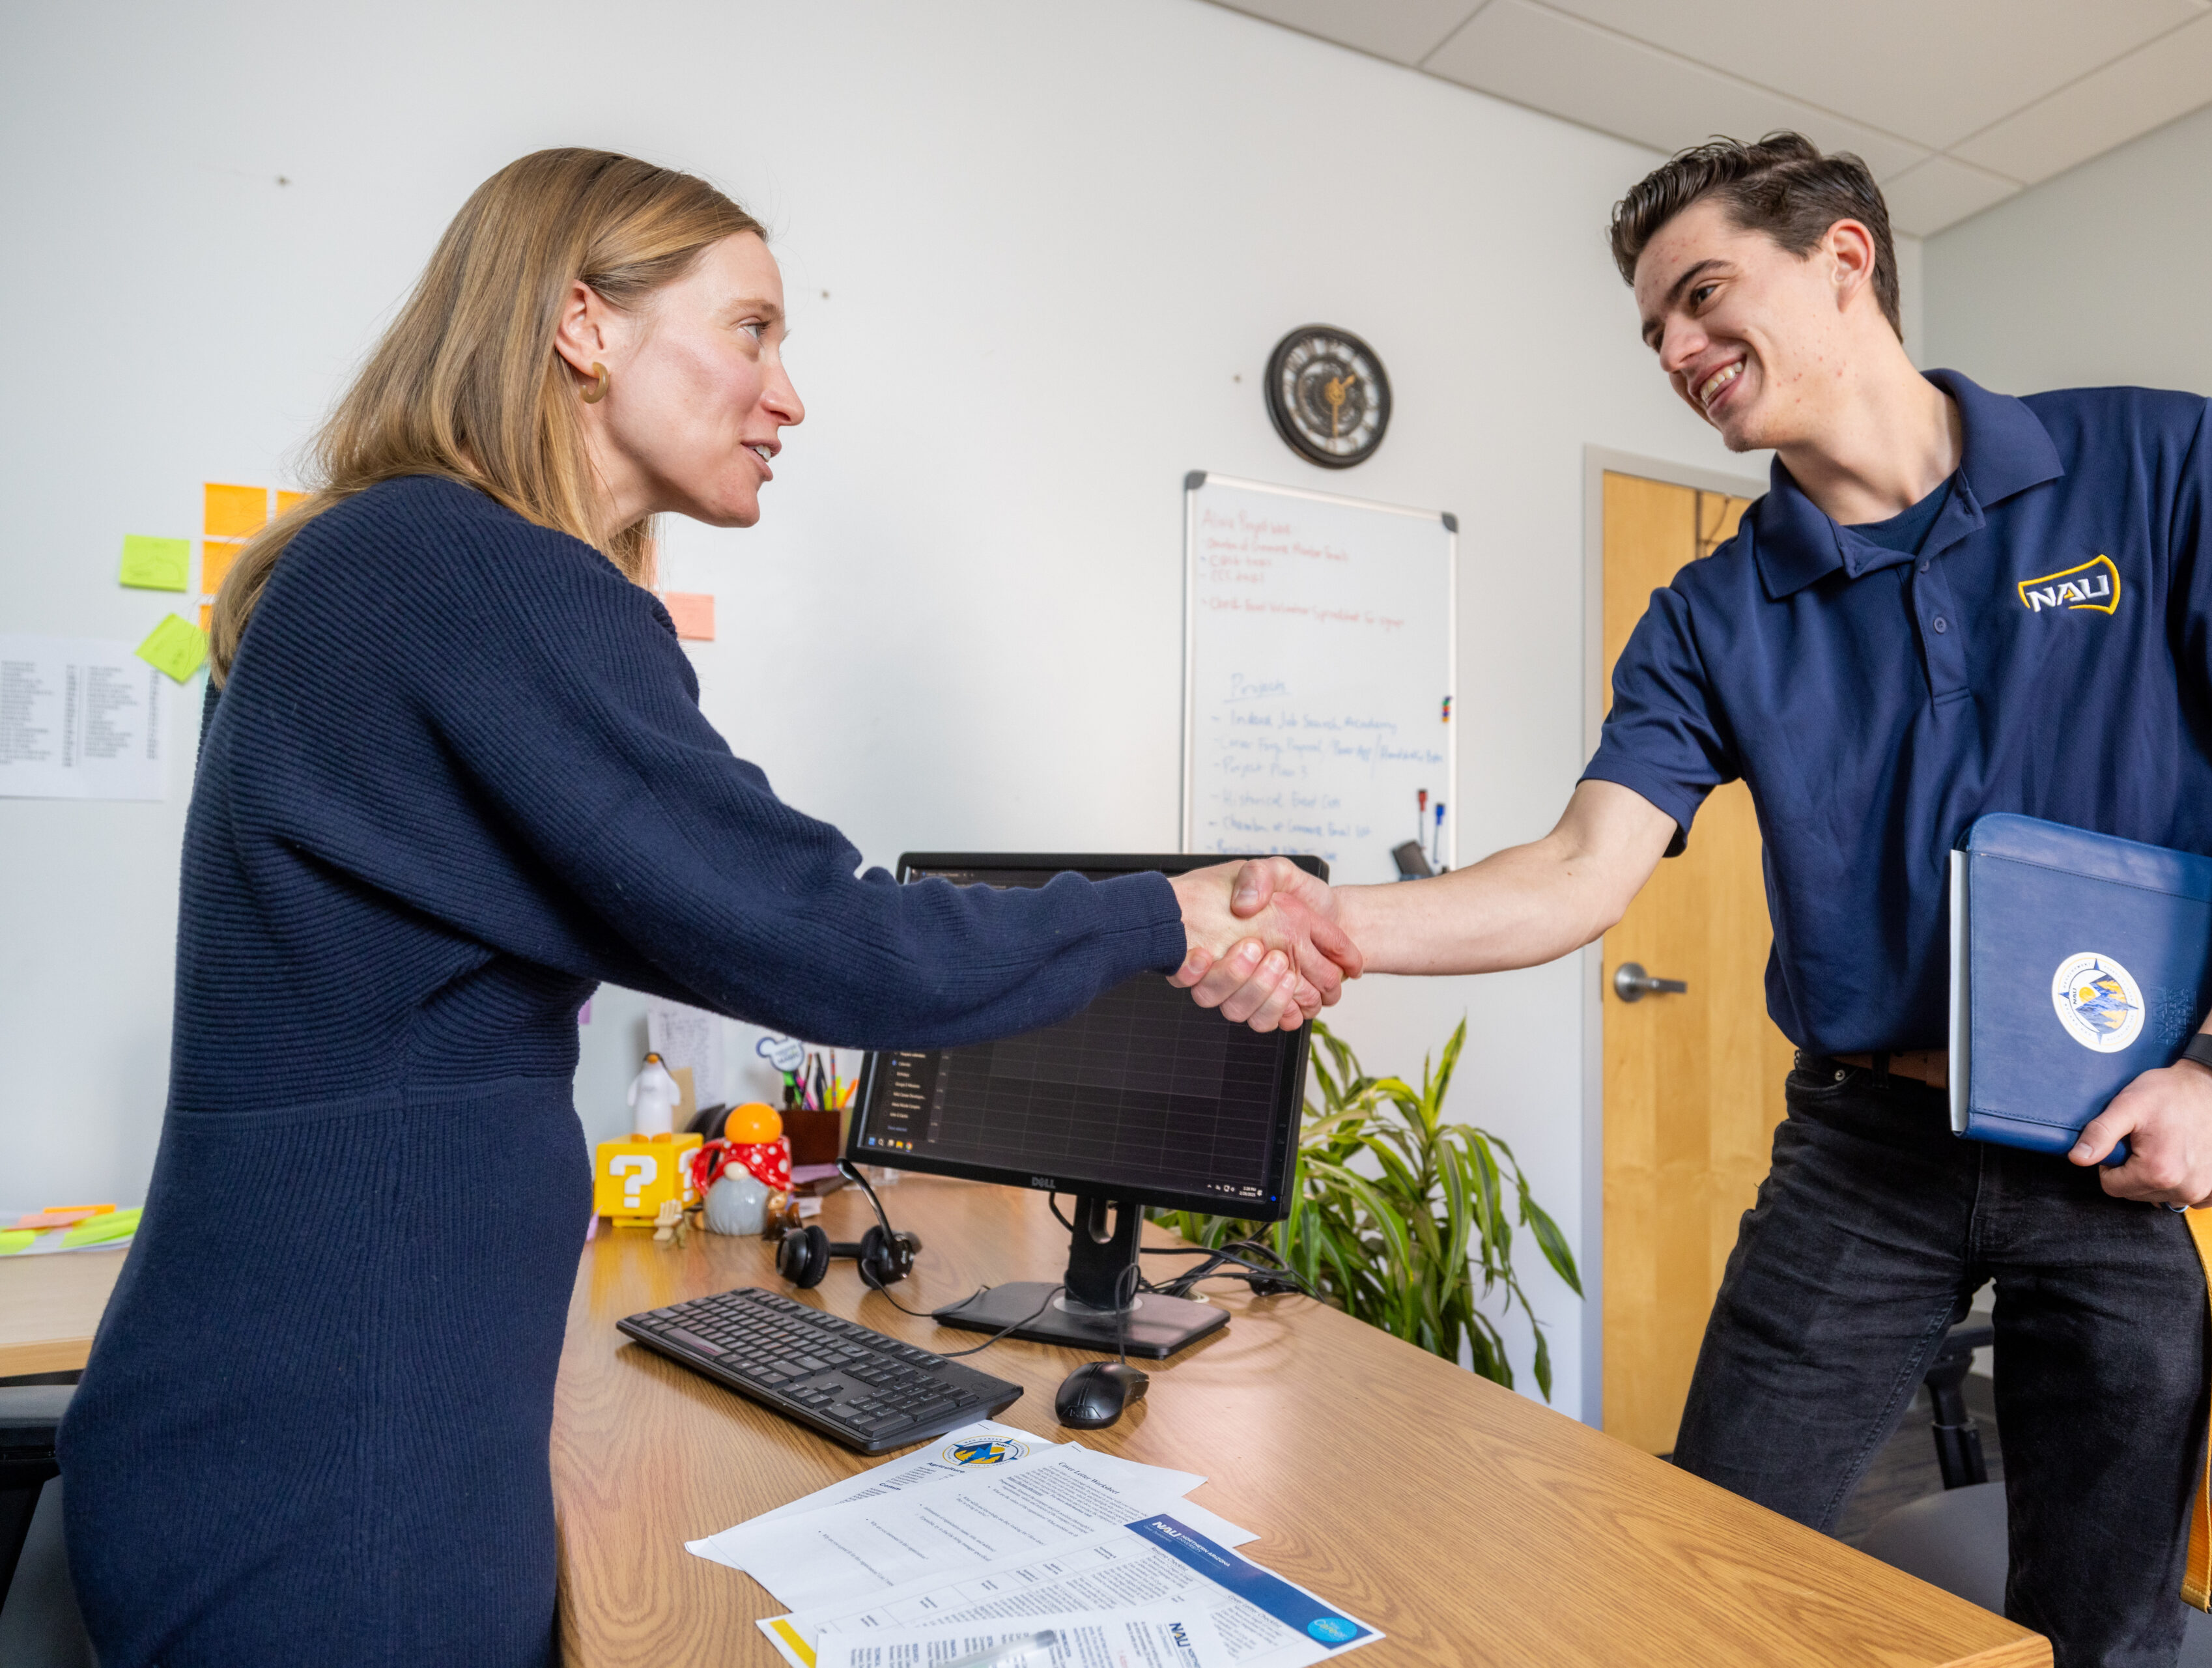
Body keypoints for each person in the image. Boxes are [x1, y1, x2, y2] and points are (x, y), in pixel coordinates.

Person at [57, 148, 1355, 1667]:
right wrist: (1171, 914)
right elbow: (834, 941)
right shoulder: (470, 573)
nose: (789, 394)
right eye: (751, 330)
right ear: (584, 325)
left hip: (285, 1419)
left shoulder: (383, 563)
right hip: (335, 1470)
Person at [1231, 133, 2212, 1666]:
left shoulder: (2157, 458)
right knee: (1700, 1560)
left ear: (1846, 257)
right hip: (1871, 1150)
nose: (1677, 352)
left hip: (2135, 1136)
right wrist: (1335, 923)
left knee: (2102, 1627)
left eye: (1704, 297)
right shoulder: (1717, 609)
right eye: (1653, 331)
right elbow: (1583, 869)